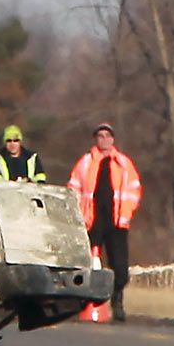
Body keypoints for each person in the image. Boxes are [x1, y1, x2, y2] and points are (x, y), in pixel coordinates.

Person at [68, 123, 142, 322]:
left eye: (107, 135)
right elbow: (73, 188)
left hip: (117, 223)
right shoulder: (85, 162)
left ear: (113, 139)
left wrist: (127, 213)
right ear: (95, 139)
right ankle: (87, 304)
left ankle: (117, 301)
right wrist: (78, 214)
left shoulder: (124, 163)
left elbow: (134, 190)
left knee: (120, 267)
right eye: (100, 136)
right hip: (91, 222)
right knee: (88, 265)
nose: (104, 139)